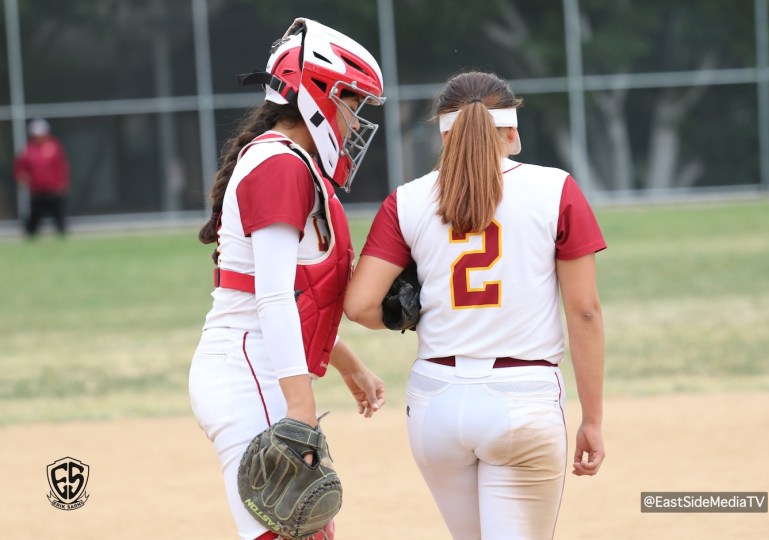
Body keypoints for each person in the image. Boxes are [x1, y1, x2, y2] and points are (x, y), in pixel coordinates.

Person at [344, 71, 606, 540]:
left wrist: (421, 308)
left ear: (445, 135)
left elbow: (360, 306)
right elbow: (584, 311)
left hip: (436, 400)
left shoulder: (407, 199)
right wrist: (593, 419)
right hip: (522, 397)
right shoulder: (555, 188)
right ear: (511, 131)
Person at [188, 18, 386, 540]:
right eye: (352, 103)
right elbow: (273, 296)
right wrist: (301, 409)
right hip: (249, 372)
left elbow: (296, 297)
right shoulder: (280, 165)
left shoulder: (289, 160)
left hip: (256, 366)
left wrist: (349, 365)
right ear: (318, 94)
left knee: (310, 532)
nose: (355, 122)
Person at [14, 118, 71, 237]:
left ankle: (62, 233)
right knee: (35, 215)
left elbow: (61, 166)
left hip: (53, 189)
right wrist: (21, 177)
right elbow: (21, 167)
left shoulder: (54, 147)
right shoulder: (28, 150)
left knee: (58, 214)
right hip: (36, 190)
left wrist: (62, 182)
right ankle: (30, 235)